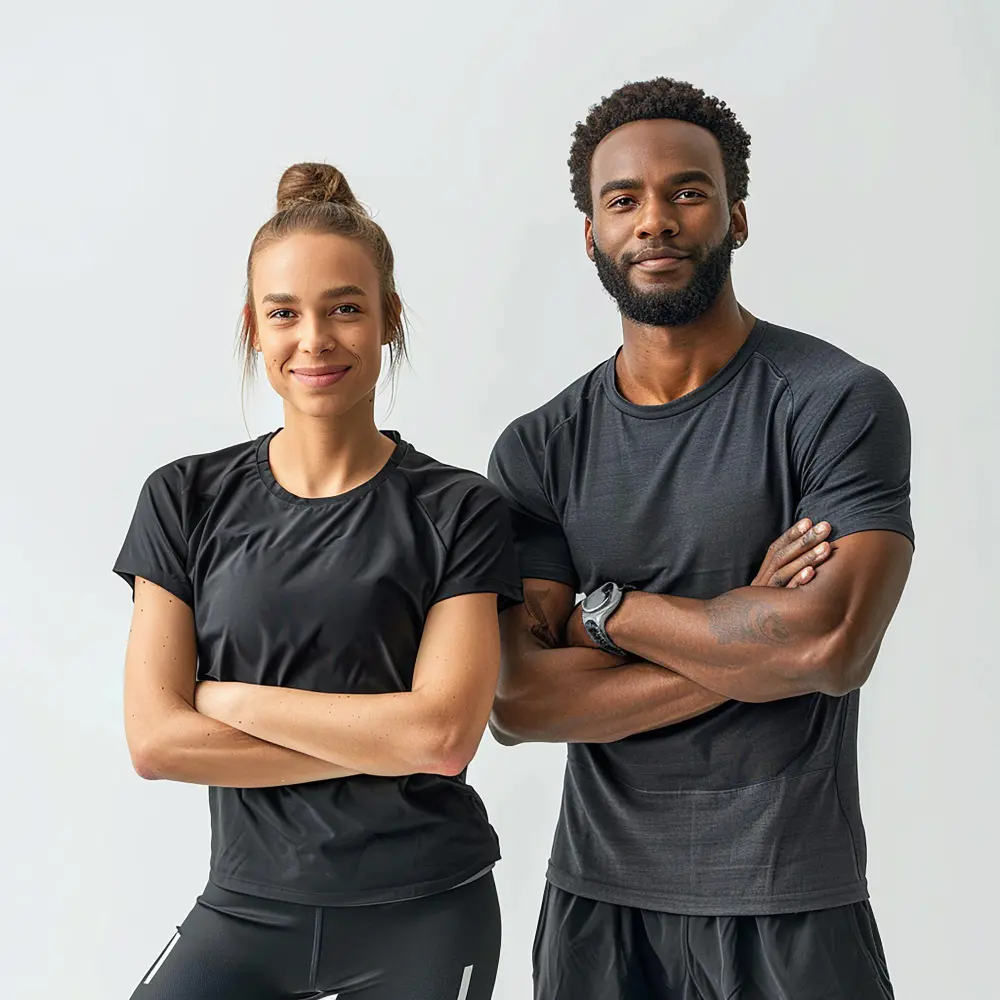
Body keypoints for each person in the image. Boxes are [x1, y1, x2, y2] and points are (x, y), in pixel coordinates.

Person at [488, 77, 913, 1000]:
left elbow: (829, 646)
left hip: (789, 899)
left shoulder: (834, 402)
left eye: (687, 192)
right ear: (592, 234)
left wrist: (605, 616)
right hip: (594, 912)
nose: (656, 222)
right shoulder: (538, 447)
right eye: (623, 200)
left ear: (737, 216)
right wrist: (736, 637)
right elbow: (518, 703)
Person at [114, 163, 520, 1000]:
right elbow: (156, 742)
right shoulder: (183, 498)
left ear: (388, 320)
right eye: (284, 314)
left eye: (344, 308)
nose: (316, 340)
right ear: (254, 330)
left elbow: (443, 737)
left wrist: (227, 702)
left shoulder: (459, 510)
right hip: (244, 911)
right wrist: (380, 737)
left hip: (426, 911)